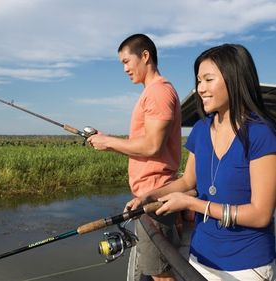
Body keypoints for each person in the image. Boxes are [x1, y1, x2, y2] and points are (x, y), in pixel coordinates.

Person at [126, 43, 276, 280]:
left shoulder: (261, 134)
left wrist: (192, 204)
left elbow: (260, 214)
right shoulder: (201, 129)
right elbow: (187, 180)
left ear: (235, 79)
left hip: (247, 265)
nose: (200, 89)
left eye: (208, 79)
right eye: (198, 81)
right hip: (200, 258)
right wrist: (149, 197)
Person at [88, 34, 182, 281]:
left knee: (161, 273)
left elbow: (152, 146)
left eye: (126, 61)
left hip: (154, 196)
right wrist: (107, 143)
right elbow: (145, 145)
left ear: (145, 56)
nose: (125, 68)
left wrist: (108, 141)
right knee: (157, 269)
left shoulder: (158, 93)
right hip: (147, 196)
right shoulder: (153, 92)